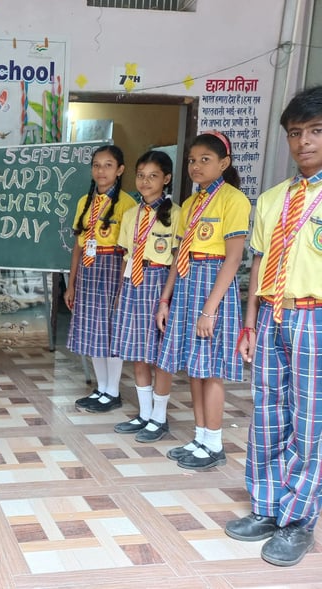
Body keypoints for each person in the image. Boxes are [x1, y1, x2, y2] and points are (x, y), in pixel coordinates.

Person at [227, 85, 322, 567]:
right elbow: (259, 263)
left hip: (316, 316)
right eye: (296, 133)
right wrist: (249, 324)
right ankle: (267, 505)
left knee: (310, 419)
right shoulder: (270, 200)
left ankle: (299, 518)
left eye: (316, 131)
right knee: (267, 412)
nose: (304, 142)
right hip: (270, 314)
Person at [156, 131, 250, 470]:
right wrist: (165, 299)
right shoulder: (191, 204)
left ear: (224, 163)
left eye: (205, 160)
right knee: (195, 369)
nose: (196, 166)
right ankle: (199, 438)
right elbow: (179, 255)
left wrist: (209, 310)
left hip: (213, 287)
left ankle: (214, 443)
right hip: (186, 283)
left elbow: (233, 259)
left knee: (211, 371)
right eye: (192, 160)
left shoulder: (234, 200)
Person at [112, 151, 180, 442]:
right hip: (133, 283)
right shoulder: (131, 214)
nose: (145, 181)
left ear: (166, 179)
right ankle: (145, 413)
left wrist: (166, 298)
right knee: (138, 352)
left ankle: (159, 418)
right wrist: (120, 292)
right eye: (140, 175)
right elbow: (126, 257)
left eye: (153, 176)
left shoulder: (176, 214)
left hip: (159, 281)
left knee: (160, 355)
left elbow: (177, 261)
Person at [65, 145, 136, 412]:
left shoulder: (127, 204)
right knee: (92, 330)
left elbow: (129, 250)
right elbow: (79, 246)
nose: (101, 171)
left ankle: (113, 391)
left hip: (113, 269)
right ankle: (102, 388)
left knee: (110, 331)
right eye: (96, 165)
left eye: (108, 165)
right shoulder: (84, 202)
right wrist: (71, 283)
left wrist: (123, 287)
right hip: (88, 269)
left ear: (120, 170)